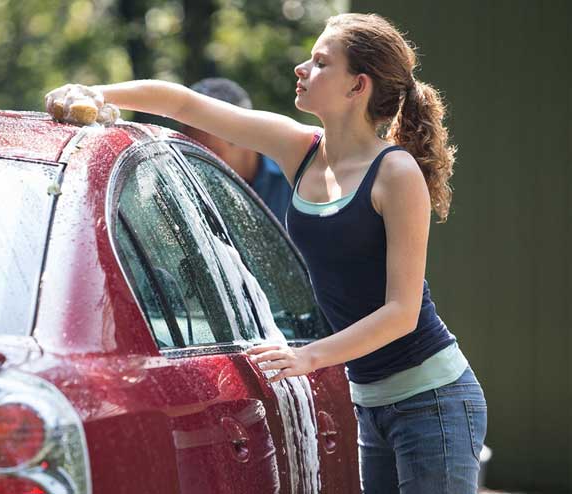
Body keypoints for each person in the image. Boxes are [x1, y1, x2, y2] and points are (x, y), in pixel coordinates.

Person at [45, 12, 487, 494]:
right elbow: (183, 103)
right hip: (370, 403)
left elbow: (401, 313)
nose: (301, 68)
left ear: (357, 86)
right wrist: (94, 93)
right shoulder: (300, 149)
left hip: (433, 402)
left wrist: (308, 356)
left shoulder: (395, 173)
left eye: (320, 62)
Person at [182, 78, 292, 225]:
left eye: (210, 154)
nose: (196, 166)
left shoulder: (295, 178)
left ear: (244, 135)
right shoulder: (185, 190)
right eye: (190, 155)